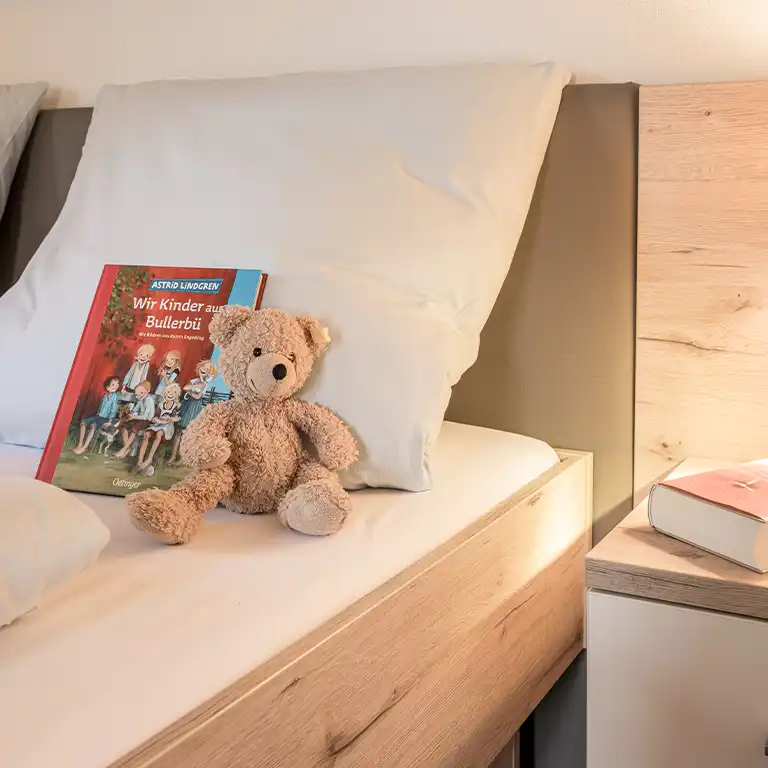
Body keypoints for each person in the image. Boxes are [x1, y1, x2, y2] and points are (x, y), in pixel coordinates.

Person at [167, 359, 218, 466]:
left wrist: (191, 390)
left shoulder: (204, 384)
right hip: (186, 405)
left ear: (210, 374)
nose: (204, 370)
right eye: (203, 367)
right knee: (178, 432)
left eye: (207, 369)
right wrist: (192, 389)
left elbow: (197, 396)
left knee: (186, 433)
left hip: (193, 408)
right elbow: (185, 387)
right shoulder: (195, 380)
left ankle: (182, 459)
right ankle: (172, 456)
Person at [136, 382, 182, 470]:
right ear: (165, 393)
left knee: (159, 433)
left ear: (176, 395)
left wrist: (171, 418)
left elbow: (178, 418)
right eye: (169, 392)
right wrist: (155, 419)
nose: (171, 394)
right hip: (158, 424)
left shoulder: (175, 406)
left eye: (173, 393)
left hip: (167, 428)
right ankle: (140, 460)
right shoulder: (161, 404)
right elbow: (156, 416)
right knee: (147, 434)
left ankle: (149, 458)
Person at [72, 376, 121, 455]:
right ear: (107, 387)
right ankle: (80, 444)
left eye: (117, 384)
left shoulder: (114, 396)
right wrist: (97, 414)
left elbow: (113, 409)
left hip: (107, 418)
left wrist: (109, 421)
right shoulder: (105, 396)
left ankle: (84, 447)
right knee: (83, 423)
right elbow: (101, 407)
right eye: (113, 384)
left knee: (92, 426)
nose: (116, 386)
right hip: (99, 416)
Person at [115, 380, 156, 459]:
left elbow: (145, 416)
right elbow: (136, 409)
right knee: (124, 427)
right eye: (137, 395)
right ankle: (127, 448)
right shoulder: (141, 400)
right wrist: (130, 413)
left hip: (147, 420)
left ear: (148, 391)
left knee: (134, 429)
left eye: (141, 393)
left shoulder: (149, 400)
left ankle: (123, 449)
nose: (139, 396)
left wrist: (133, 417)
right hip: (139, 418)